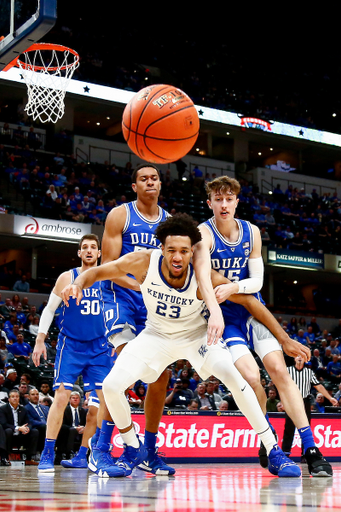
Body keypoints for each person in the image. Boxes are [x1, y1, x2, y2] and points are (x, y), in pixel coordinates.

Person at [61, 213, 300, 479]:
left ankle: (274, 450)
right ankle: (132, 447)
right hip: (156, 335)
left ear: (191, 253)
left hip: (195, 337)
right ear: (161, 248)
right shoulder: (143, 262)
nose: (177, 257)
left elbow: (252, 302)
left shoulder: (204, 276)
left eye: (184, 251)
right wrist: (77, 283)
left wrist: (284, 338)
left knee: (234, 376)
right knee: (111, 386)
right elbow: (99, 271)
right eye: (172, 250)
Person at [192, 175, 333, 477]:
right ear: (210, 203)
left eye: (230, 198)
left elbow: (257, 282)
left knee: (281, 372)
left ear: (237, 201)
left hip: (253, 311)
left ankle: (310, 447)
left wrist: (231, 287)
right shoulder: (203, 234)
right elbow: (204, 280)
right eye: (219, 199)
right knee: (250, 376)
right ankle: (270, 442)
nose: (224, 204)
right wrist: (228, 293)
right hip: (226, 317)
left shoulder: (251, 232)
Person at [95, 163, 174, 476]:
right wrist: (145, 284)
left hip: (153, 305)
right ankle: (100, 449)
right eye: (144, 178)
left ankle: (148, 451)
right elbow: (109, 265)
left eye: (154, 177)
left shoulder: (168, 222)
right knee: (124, 367)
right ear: (134, 186)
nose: (150, 182)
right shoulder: (120, 215)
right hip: (120, 298)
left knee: (161, 376)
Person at [32, 234, 111, 473]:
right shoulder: (67, 277)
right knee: (62, 397)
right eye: (84, 247)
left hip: (100, 348)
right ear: (79, 253)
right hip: (72, 346)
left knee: (101, 405)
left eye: (93, 247)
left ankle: (89, 454)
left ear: (99, 253)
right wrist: (40, 339)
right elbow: (49, 310)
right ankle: (47, 453)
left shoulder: (108, 276)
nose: (88, 251)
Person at [282, 356, 338, 461]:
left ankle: (305, 454)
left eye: (301, 357)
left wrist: (330, 398)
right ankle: (286, 454)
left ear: (305, 360)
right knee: (289, 428)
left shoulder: (309, 372)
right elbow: (281, 386)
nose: (299, 358)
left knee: (305, 428)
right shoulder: (288, 371)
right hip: (291, 401)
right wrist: (283, 400)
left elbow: (318, 386)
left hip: (304, 402)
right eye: (297, 356)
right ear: (294, 359)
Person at [0, 389, 39, 465]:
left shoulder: (23, 409)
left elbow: (29, 423)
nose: (15, 398)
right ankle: (5, 458)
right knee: (8, 431)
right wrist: (18, 428)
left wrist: (27, 428)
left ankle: (29, 458)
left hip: (21, 435)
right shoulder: (3, 409)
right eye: (13, 397)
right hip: (9, 434)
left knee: (35, 432)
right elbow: (4, 424)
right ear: (9, 399)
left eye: (17, 396)